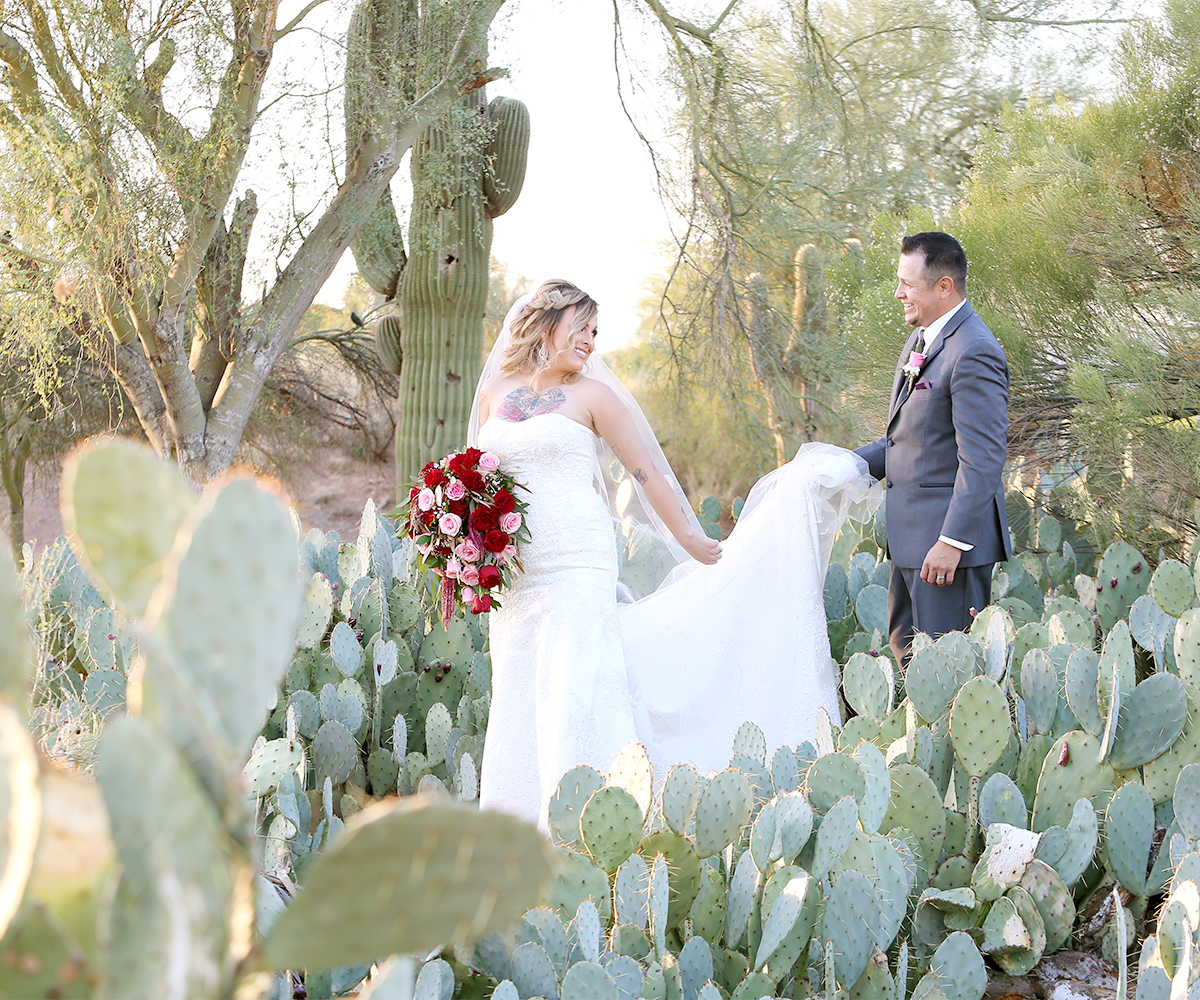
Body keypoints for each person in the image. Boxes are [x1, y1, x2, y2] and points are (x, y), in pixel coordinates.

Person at [471, 279, 877, 828]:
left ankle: (581, 821)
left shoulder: (595, 396)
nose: (591, 341)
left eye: (596, 332)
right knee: (519, 682)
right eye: (582, 328)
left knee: (575, 678)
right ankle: (512, 818)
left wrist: (691, 538)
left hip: (577, 558)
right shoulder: (495, 388)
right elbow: (475, 472)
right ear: (547, 322)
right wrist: (465, 540)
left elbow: (647, 472)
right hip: (516, 568)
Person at [855, 232, 1011, 670]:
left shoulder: (974, 350)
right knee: (912, 669)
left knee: (949, 677)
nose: (898, 292)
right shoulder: (921, 339)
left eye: (908, 283)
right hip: (908, 542)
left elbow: (982, 459)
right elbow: (910, 439)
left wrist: (951, 542)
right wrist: (841, 466)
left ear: (944, 286)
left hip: (945, 554)